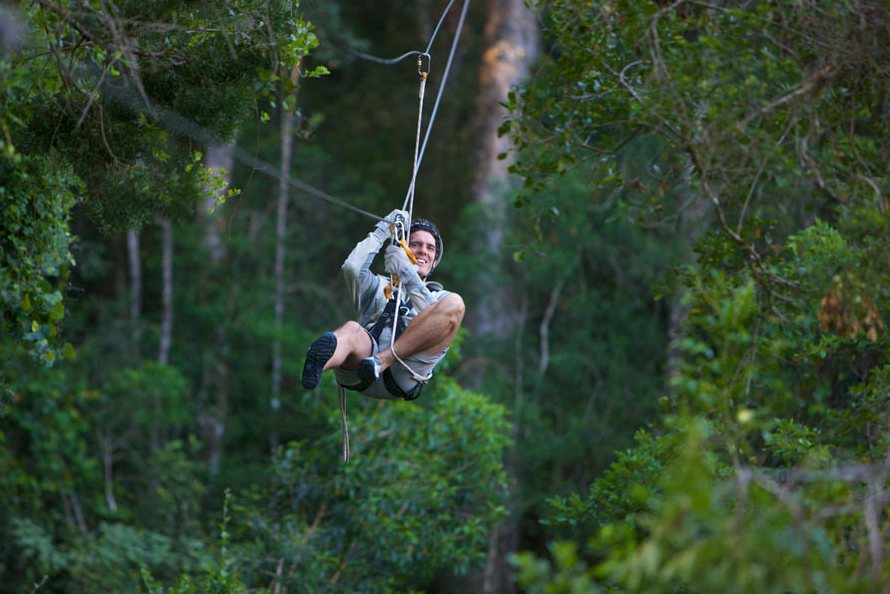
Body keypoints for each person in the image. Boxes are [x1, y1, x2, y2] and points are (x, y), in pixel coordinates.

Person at [300, 209, 464, 400]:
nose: (423, 251)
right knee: (352, 329)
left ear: (435, 261)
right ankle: (317, 364)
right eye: (415, 244)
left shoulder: (440, 297)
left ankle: (382, 361)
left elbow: (435, 319)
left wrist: (407, 274)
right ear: (402, 249)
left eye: (430, 248)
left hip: (405, 372)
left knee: (456, 303)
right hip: (361, 366)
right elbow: (352, 268)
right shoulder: (378, 286)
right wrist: (383, 230)